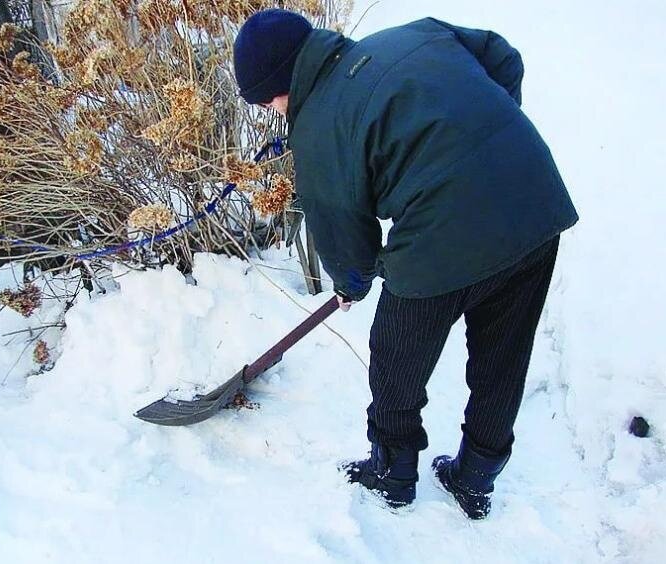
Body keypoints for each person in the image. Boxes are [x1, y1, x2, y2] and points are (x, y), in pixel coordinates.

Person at [233, 9, 578, 518]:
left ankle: (392, 472)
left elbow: (342, 231)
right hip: (533, 202)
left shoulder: (319, 129)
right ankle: (476, 477)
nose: (275, 110)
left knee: (396, 357)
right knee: (503, 356)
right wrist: (484, 138)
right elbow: (502, 56)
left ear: (281, 83)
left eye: (269, 99)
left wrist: (352, 283)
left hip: (445, 233)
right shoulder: (416, 35)